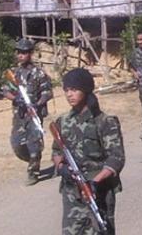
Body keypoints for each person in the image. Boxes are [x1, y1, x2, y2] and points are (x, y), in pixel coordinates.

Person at [52, 68, 125, 235]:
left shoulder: (105, 122)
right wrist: (62, 167)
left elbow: (116, 158)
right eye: (67, 90)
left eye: (74, 89)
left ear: (85, 90)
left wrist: (95, 182)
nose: (69, 94)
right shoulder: (62, 122)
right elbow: (56, 152)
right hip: (72, 192)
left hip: (98, 192)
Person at [1, 38, 53, 185]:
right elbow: (5, 91)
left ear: (30, 54)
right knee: (17, 145)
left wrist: (38, 104)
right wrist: (15, 99)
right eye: (18, 52)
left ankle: (33, 172)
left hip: (34, 115)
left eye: (24, 52)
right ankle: (32, 159)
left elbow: (47, 92)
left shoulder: (39, 74)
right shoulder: (14, 73)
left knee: (34, 144)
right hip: (19, 115)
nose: (20, 55)